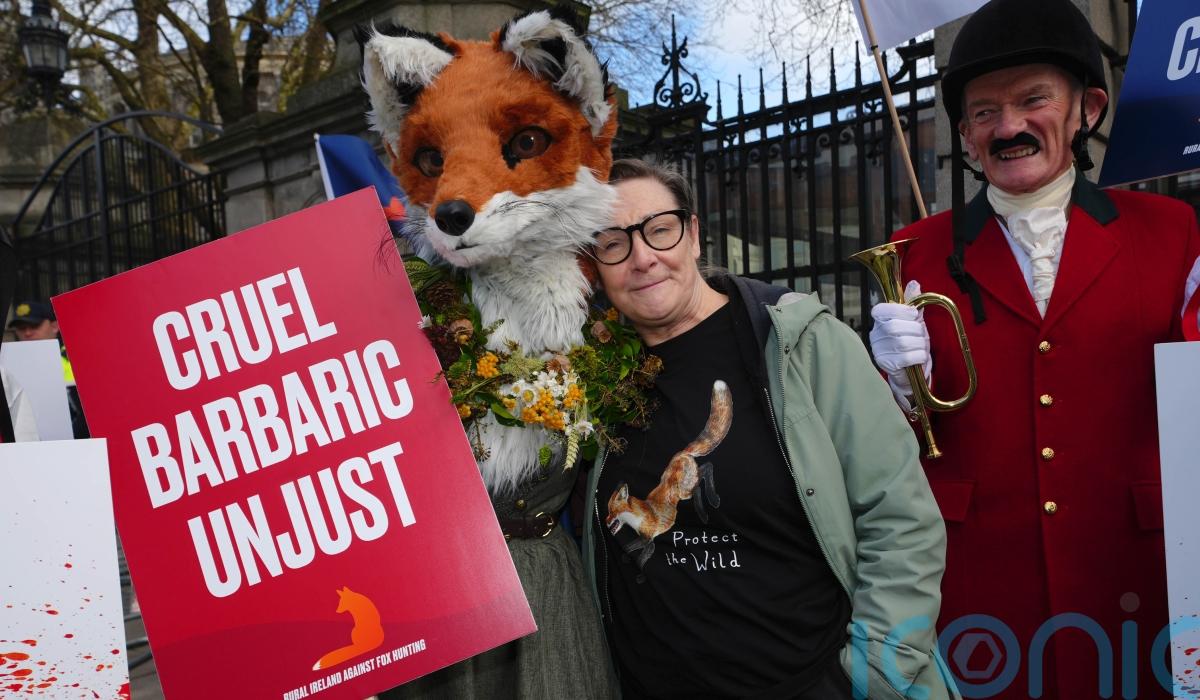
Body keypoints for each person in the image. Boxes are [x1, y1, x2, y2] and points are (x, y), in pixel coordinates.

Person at [867, 0, 1200, 697]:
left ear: (1088, 109)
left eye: (1032, 100)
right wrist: (893, 392)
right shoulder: (913, 252)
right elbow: (884, 455)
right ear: (965, 134)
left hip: (1137, 578)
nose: (1007, 127)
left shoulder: (1175, 234)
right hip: (979, 589)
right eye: (984, 112)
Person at [582, 158, 955, 699]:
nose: (643, 257)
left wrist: (870, 674)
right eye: (613, 243)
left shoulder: (802, 345)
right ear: (594, 264)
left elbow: (900, 518)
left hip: (812, 683)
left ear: (693, 234)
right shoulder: (591, 379)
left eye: (659, 230)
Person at [8, 300, 89, 439]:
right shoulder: (7, 364)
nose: (27, 333)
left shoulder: (78, 357)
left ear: (55, 326)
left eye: (35, 326)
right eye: (21, 328)